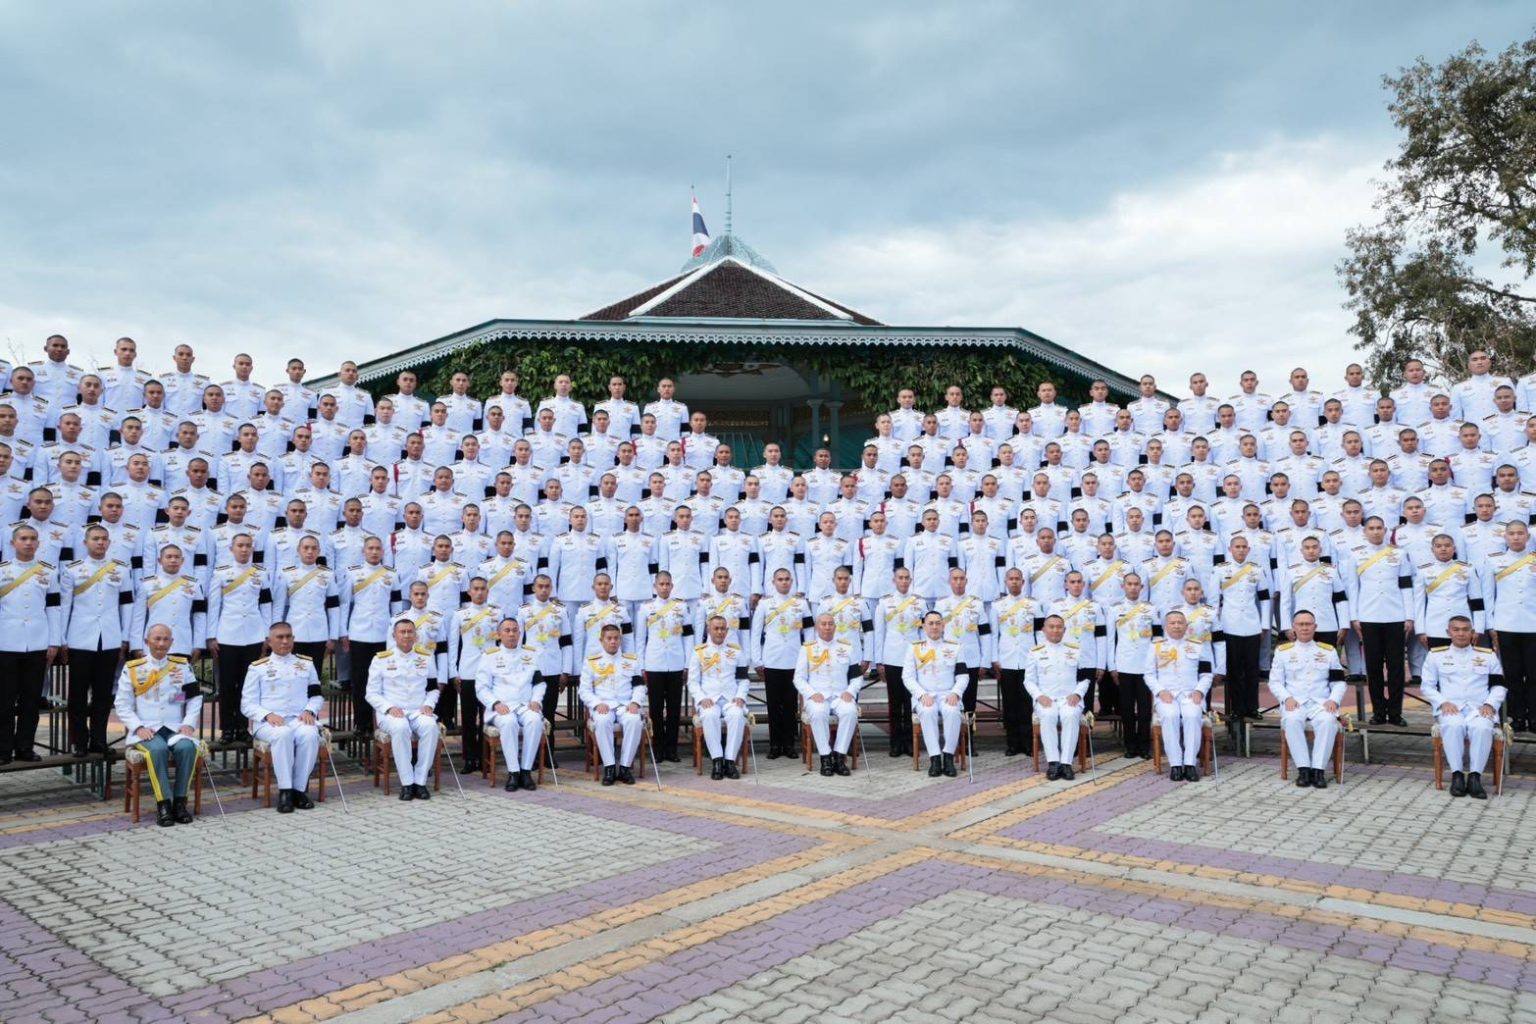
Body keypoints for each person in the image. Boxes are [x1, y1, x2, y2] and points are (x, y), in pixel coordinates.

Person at [115, 624, 201, 826]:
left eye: (165, 639)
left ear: (172, 642)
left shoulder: (182, 666)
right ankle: (164, 804)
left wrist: (188, 723)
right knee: (158, 750)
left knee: (187, 748)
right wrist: (138, 727)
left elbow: (194, 697)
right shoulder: (133, 668)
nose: (161, 644)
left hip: (174, 727)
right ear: (147, 642)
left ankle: (180, 803)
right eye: (157, 639)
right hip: (146, 729)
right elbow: (122, 704)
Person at [60, 524, 133, 756]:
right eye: (95, 538)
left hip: (109, 638)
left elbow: (127, 605)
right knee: (78, 695)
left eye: (103, 539)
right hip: (80, 638)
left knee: (103, 694)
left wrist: (125, 637)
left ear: (109, 543)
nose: (100, 542)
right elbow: (65, 606)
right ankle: (79, 742)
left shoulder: (121, 569)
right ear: (85, 543)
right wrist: (62, 638)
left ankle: (99, 740)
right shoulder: (72, 570)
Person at [242, 622, 324, 814]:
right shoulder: (258, 668)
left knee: (310, 734)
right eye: (280, 637)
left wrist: (310, 710)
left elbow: (316, 695)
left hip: (298, 718)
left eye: (288, 637)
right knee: (283, 734)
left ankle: (298, 790)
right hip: (268, 722)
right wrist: (267, 714)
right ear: (269, 641)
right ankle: (285, 791)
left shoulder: (306, 664)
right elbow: (247, 703)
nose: (285, 641)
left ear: (293, 639)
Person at [1421, 615, 1505, 799]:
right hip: (1451, 707)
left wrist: (1490, 704)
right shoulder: (1436, 655)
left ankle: (1475, 777)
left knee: (1482, 727)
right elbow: (1427, 686)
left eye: (1466, 629)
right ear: (1448, 632)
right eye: (1456, 629)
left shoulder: (1487, 655)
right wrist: (1442, 702)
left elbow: (1499, 686)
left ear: (1472, 633)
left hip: (1479, 708)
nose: (1461, 633)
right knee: (1454, 725)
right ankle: (1457, 776)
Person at [1269, 611, 1346, 790]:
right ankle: (1303, 769)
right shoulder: (1283, 652)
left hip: (1321, 703)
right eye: (1301, 624)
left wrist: (1333, 700)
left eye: (1308, 624)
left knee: (1328, 722)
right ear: (1294, 628)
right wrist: (1286, 698)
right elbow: (1275, 682)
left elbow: (1339, 682)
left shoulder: (1328, 651)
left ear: (1315, 627)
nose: (1304, 628)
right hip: (1295, 702)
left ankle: (1318, 770)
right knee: (1292, 720)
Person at [366, 618, 441, 801]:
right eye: (402, 632)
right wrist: (389, 707)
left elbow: (433, 689)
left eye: (410, 632)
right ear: (394, 636)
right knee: (400, 728)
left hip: (418, 710)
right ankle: (407, 783)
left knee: (431, 727)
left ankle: (420, 782)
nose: (407, 635)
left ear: (416, 635)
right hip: (392, 712)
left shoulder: (426, 657)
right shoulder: (381, 659)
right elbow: (371, 693)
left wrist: (429, 704)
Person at [474, 618, 547, 792]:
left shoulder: (530, 654)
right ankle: (513, 772)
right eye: (507, 630)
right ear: (499, 634)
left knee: (535, 720)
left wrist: (536, 700)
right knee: (508, 722)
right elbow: (481, 688)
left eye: (515, 630)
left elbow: (539, 683)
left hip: (525, 705)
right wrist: (495, 703)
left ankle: (526, 771)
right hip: (502, 707)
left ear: (520, 633)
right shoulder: (489, 656)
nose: (511, 634)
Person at [1144, 611, 1212, 781]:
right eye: (1172, 623)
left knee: (1192, 716)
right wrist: (1160, 691)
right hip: (1167, 695)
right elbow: (1149, 674)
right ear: (1165, 626)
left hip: (1191, 694)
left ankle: (1189, 764)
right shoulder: (1156, 646)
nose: (1176, 626)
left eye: (1180, 623)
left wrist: (1200, 691)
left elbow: (1206, 674)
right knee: (1170, 715)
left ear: (1186, 626)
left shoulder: (1198, 645)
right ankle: (1175, 764)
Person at [794, 612, 862, 777]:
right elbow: (798, 678)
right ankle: (825, 757)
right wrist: (811, 694)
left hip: (840, 695)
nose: (827, 627)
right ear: (817, 627)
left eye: (830, 624)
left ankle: (839, 756)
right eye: (823, 624)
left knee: (850, 711)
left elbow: (857, 677)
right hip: (818, 696)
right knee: (818, 713)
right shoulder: (807, 649)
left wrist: (850, 691)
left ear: (835, 626)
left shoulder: (847, 647)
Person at [579, 623, 646, 785]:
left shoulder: (631, 661)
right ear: (601, 640)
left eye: (616, 638)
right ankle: (609, 767)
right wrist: (596, 704)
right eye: (609, 638)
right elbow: (584, 690)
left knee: (634, 720)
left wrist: (635, 702)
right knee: (602, 721)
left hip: (625, 705)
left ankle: (624, 767)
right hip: (604, 706)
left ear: (620, 639)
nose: (613, 641)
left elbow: (639, 686)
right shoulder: (592, 662)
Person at [903, 610, 967, 777]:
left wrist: (956, 693)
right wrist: (921, 695)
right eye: (930, 623)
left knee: (952, 712)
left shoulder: (955, 647)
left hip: (948, 694)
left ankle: (948, 757)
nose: (934, 627)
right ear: (924, 626)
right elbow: (907, 677)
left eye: (938, 623)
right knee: (927, 711)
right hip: (925, 695)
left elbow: (963, 676)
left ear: (943, 626)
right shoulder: (914, 648)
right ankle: (935, 758)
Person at [1025, 614, 1089, 782]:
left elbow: (1085, 678)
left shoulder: (1075, 650)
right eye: (1051, 626)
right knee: (1048, 715)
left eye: (1059, 627)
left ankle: (1066, 763)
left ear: (1064, 630)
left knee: (1070, 715)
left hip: (1069, 698)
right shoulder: (1035, 652)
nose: (1055, 630)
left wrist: (1077, 694)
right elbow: (1029, 681)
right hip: (1047, 698)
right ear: (1044, 630)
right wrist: (1039, 696)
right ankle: (1053, 763)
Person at [688, 615, 751, 780]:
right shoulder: (699, 652)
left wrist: (740, 696)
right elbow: (692, 682)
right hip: (709, 699)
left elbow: (743, 679)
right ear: (708, 629)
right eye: (716, 628)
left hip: (731, 698)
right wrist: (701, 698)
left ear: (727, 630)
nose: (719, 632)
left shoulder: (736, 651)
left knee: (737, 715)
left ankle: (730, 761)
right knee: (710, 715)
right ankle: (717, 760)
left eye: (723, 628)